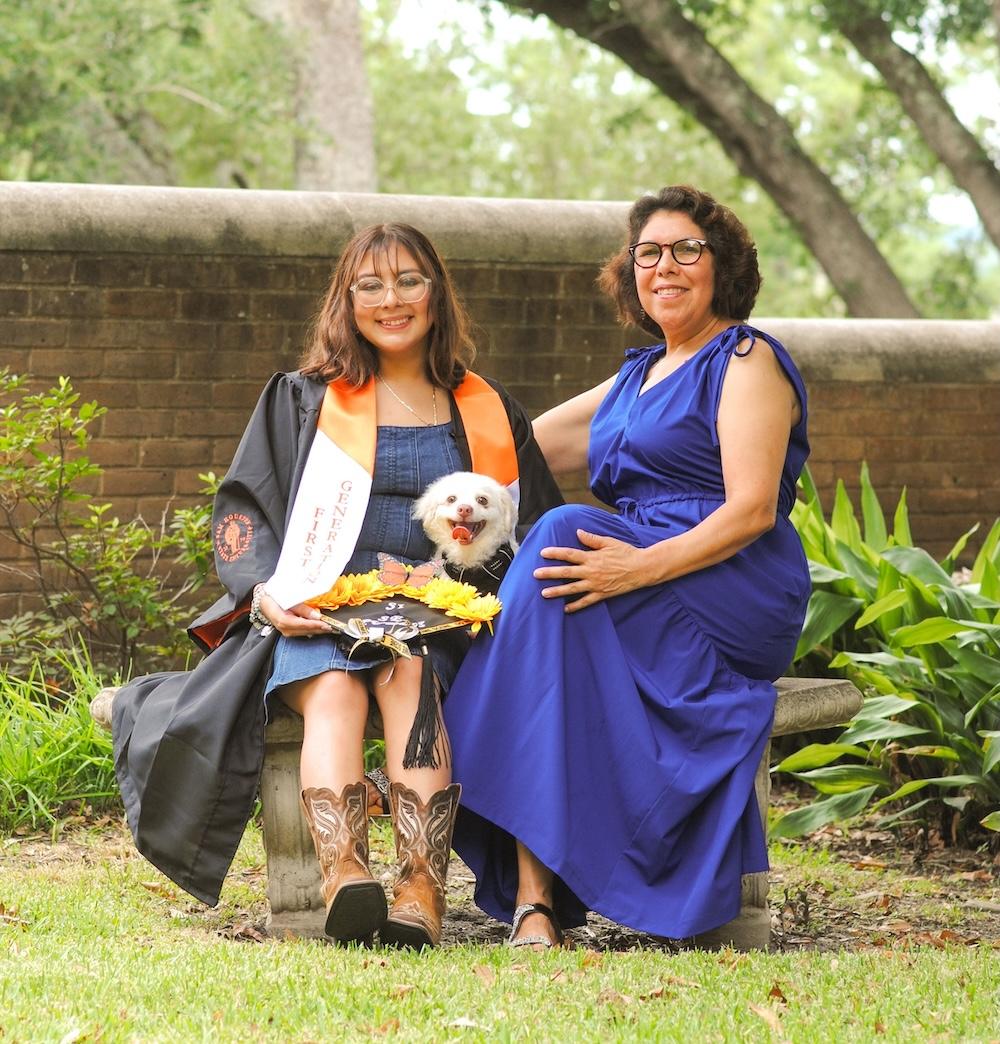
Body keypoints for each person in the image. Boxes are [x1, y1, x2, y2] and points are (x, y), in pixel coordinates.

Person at [109, 223, 562, 949]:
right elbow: (243, 510)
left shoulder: (485, 408)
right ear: (346, 301)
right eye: (371, 285)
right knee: (332, 689)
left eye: (410, 280)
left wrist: (468, 585)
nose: (392, 300)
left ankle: (420, 890)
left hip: (432, 612)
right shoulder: (301, 400)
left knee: (409, 683)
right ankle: (345, 874)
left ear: (436, 293)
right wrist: (263, 592)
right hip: (320, 605)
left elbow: (530, 527)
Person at [443, 185, 811, 948]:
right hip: (628, 576)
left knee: (566, 534)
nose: (664, 267)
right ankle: (534, 899)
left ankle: (528, 886)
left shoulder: (746, 358)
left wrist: (635, 571)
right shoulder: (637, 375)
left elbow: (750, 511)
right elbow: (511, 450)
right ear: (630, 273)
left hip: (728, 581)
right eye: (649, 254)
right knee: (556, 561)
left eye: (686, 251)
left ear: (725, 267)